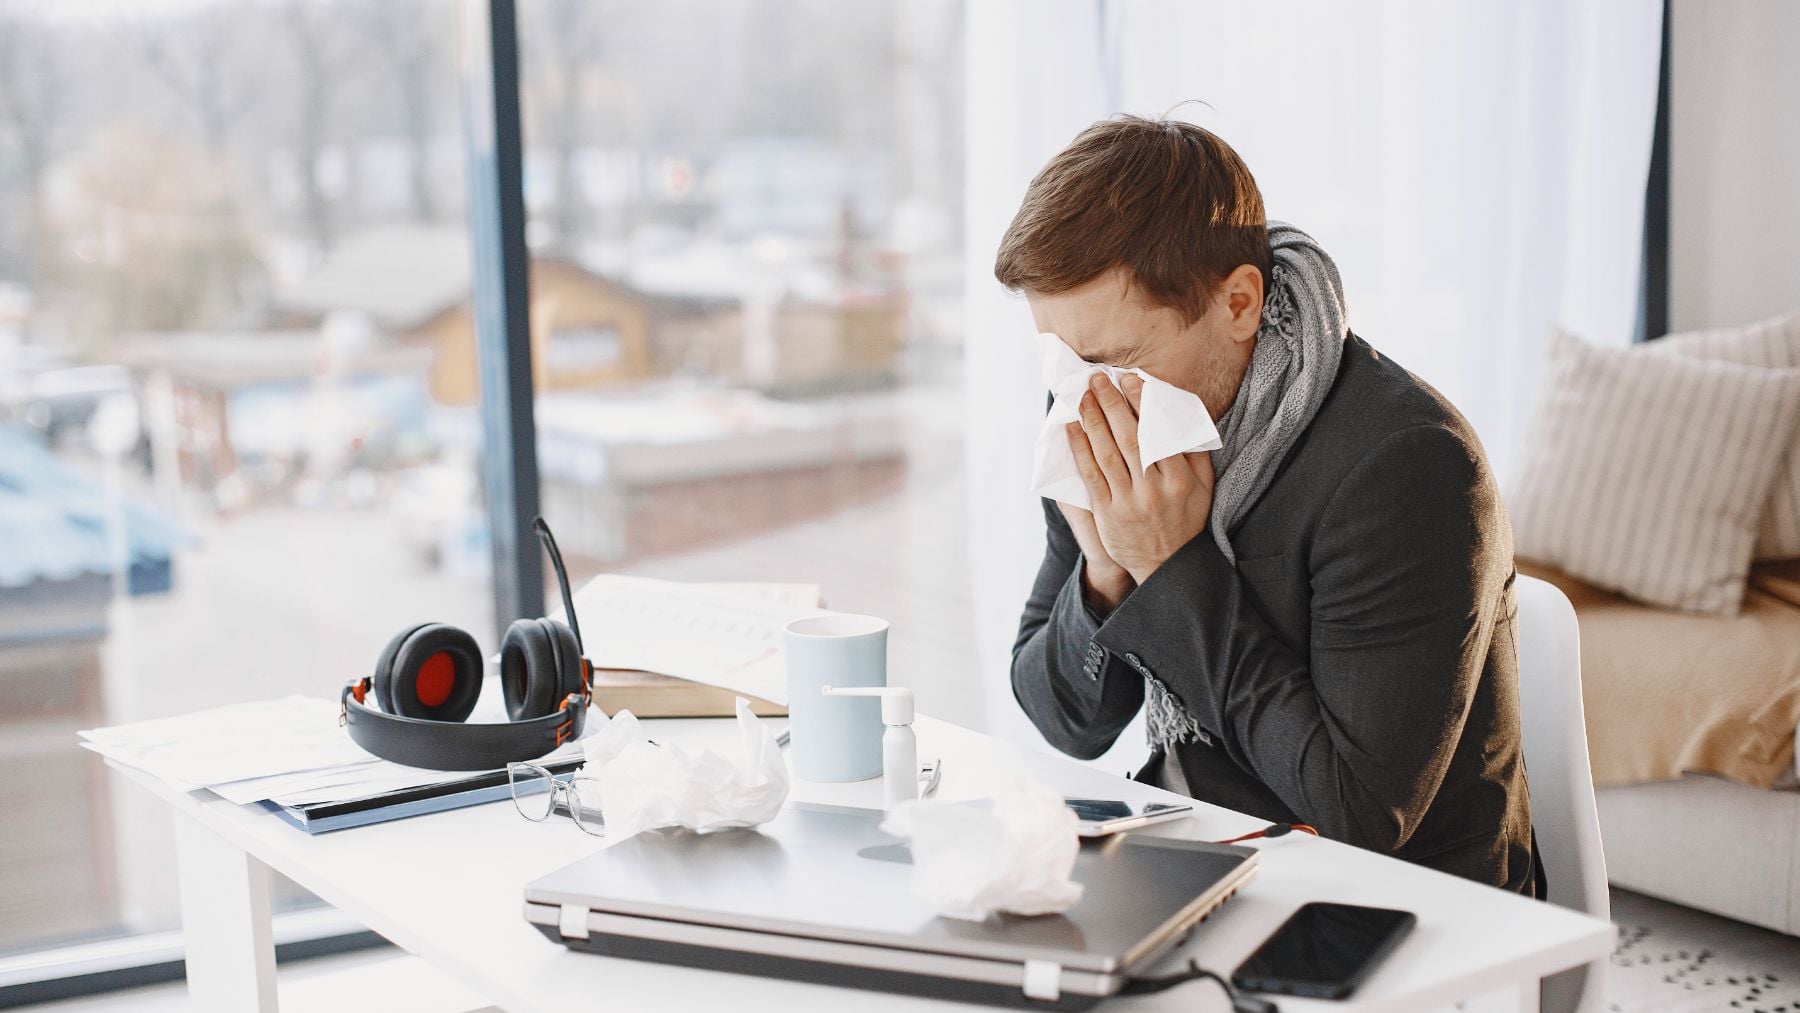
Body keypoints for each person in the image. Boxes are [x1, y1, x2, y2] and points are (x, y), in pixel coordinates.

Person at [1001, 115, 1539, 895]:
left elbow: (1360, 814)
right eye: (1060, 356)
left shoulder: (1409, 466)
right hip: (1191, 855)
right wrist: (1105, 572)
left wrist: (1170, 568)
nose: (1083, 393)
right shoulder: (1097, 396)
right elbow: (1066, 722)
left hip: (1399, 904)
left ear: (1240, 304)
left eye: (1114, 358)